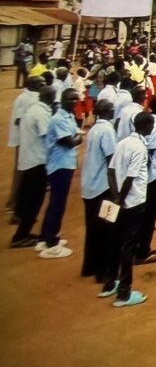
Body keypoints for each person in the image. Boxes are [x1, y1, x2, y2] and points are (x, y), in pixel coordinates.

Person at [105, 111, 155, 307]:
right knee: (128, 246)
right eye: (151, 125)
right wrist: (121, 199)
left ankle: (110, 283)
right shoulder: (140, 148)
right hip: (133, 202)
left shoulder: (123, 143)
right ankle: (124, 292)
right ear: (146, 126)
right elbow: (131, 178)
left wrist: (115, 196)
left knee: (115, 241)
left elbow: (111, 171)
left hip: (120, 199)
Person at [38, 88, 82, 258]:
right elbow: (70, 141)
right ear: (63, 100)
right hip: (59, 165)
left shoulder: (67, 117)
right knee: (57, 203)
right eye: (71, 99)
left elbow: (75, 135)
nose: (74, 102)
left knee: (56, 202)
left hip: (66, 163)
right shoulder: (58, 119)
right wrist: (77, 138)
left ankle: (46, 235)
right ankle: (51, 243)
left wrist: (76, 137)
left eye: (75, 99)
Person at [10, 85, 55, 247]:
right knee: (34, 200)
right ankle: (21, 235)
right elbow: (48, 135)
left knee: (28, 198)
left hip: (29, 160)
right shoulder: (40, 113)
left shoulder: (33, 109)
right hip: (37, 161)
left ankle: (23, 232)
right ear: (51, 98)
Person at [80, 99, 117, 280]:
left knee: (93, 228)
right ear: (108, 112)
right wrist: (116, 191)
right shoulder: (107, 130)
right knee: (108, 228)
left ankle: (90, 266)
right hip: (104, 187)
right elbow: (112, 162)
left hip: (89, 185)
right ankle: (104, 272)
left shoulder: (94, 128)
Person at [136, 96, 156, 265]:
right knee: (150, 212)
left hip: (152, 174)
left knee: (149, 212)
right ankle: (142, 251)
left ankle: (144, 247)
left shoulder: (155, 122)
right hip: (152, 175)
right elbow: (149, 150)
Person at [6, 75, 42, 216]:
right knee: (23, 173)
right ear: (32, 85)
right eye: (40, 83)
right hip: (25, 141)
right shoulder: (29, 98)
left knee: (22, 171)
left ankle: (14, 202)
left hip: (25, 140)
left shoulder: (25, 96)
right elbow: (19, 120)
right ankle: (16, 206)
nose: (42, 86)